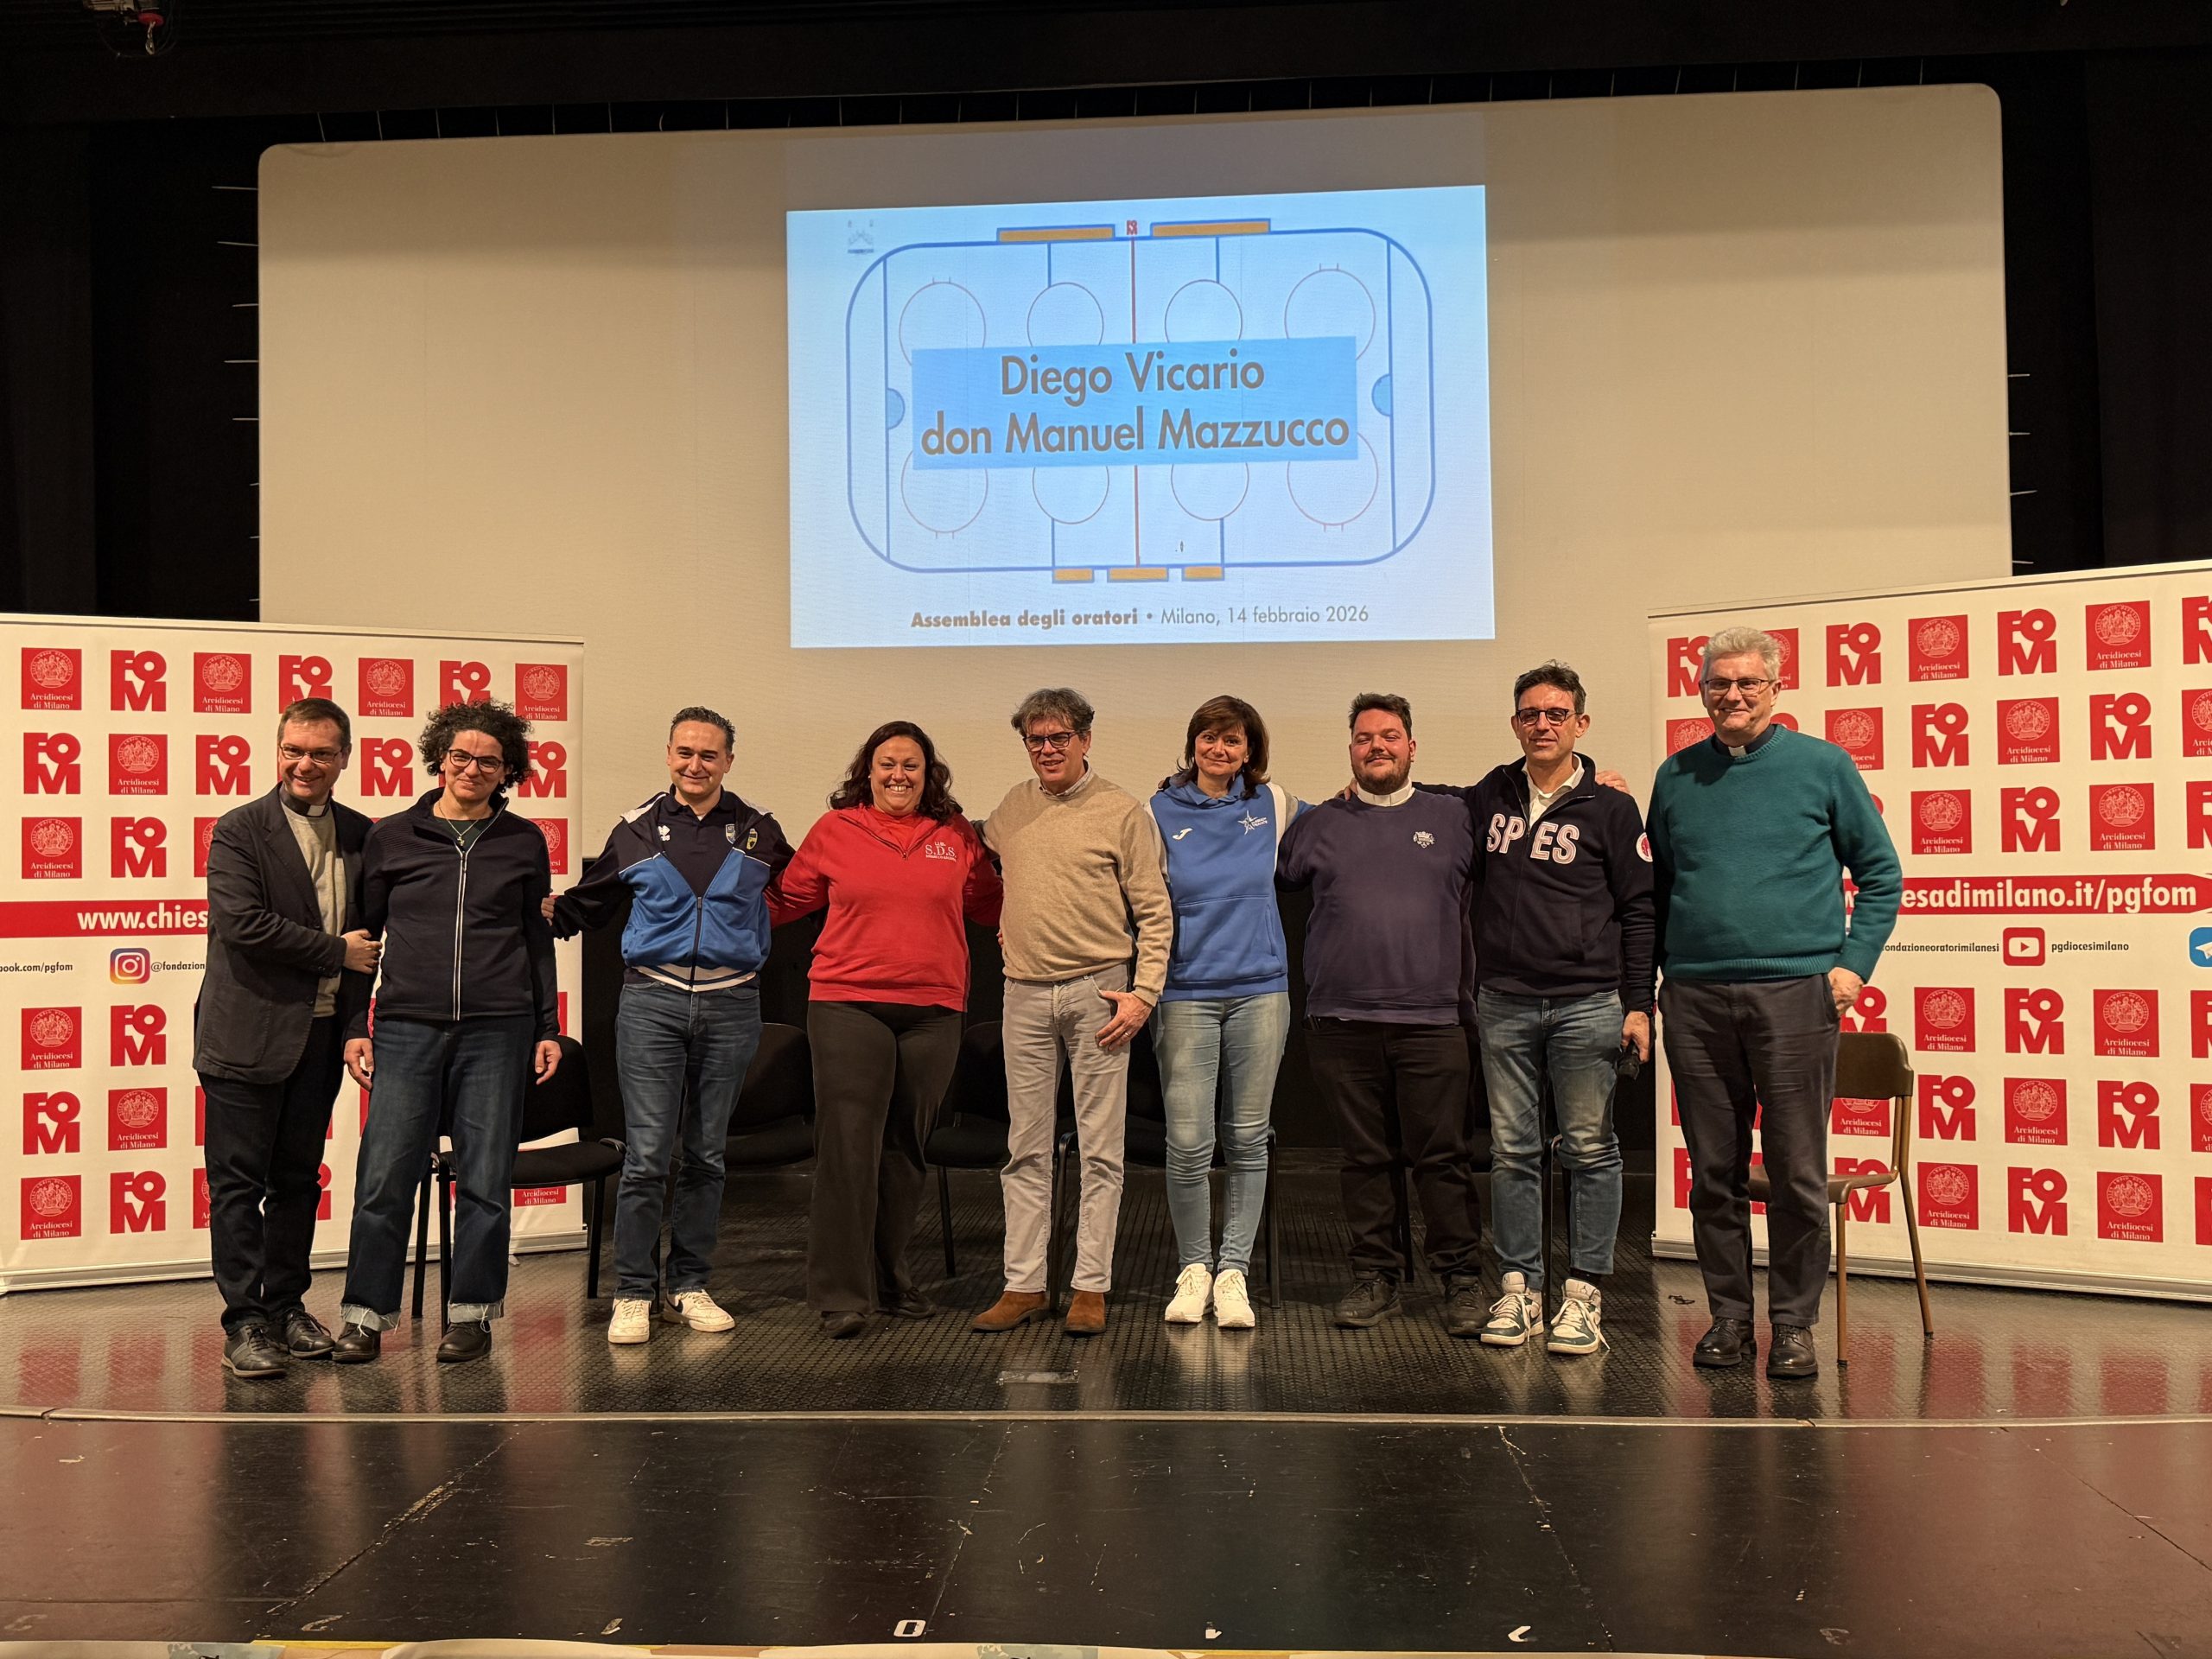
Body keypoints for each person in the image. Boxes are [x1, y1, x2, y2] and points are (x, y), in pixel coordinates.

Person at [1649, 626, 1901, 1381]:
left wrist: (1852, 968)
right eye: (1719, 683)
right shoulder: (1676, 775)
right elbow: (1662, 886)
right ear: (1701, 690)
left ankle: (1792, 1326)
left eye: (1747, 683)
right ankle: (1728, 1318)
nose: (1732, 696)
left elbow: (1881, 874)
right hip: (1695, 996)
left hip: (1795, 994)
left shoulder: (1823, 766)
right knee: (1713, 1172)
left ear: (1775, 690)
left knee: (1796, 1171)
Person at [1430, 662, 1655, 1358]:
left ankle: (1583, 1295)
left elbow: (1640, 908)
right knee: (1512, 1152)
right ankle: (1520, 1289)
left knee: (1589, 1148)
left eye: (1557, 714)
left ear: (1580, 723)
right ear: (1515, 723)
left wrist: (1639, 1004)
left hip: (1589, 1004)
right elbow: (1431, 804)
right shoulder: (1491, 793)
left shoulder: (1612, 808)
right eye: (1531, 714)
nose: (1543, 725)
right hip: (1504, 1002)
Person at [549, 708, 791, 1345]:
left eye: (709, 754)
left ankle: (689, 1284)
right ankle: (634, 1291)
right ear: (668, 755)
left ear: (728, 761)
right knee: (648, 1156)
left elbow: (807, 893)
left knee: (707, 1155)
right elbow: (586, 904)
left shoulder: (760, 831)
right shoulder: (635, 829)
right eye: (685, 752)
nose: (696, 764)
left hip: (732, 1005)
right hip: (651, 1004)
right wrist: (528, 908)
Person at [333, 701, 561, 1366]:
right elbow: (363, 940)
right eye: (461, 755)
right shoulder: (392, 836)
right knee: (384, 1178)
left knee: (485, 1181)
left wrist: (546, 1026)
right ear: (440, 758)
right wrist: (355, 1025)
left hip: (498, 1031)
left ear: (508, 770)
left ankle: (472, 1315)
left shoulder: (524, 841)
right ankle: (365, 1317)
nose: (472, 768)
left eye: (489, 761)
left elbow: (536, 939)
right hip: (406, 1027)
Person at [770, 721, 1003, 1338]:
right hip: (848, 1005)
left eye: (911, 766)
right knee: (848, 1148)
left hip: (934, 1010)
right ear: (867, 772)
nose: (898, 775)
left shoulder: (955, 833)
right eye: (887, 764)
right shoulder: (835, 830)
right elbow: (784, 901)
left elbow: (990, 904)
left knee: (905, 1149)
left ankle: (891, 1278)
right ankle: (842, 1294)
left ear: (928, 775)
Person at [1278, 693, 1484, 1334]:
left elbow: (1522, 807)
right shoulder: (1317, 824)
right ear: (1351, 751)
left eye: (1390, 736)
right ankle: (1377, 1276)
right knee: (1365, 1159)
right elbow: (1265, 876)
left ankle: (1461, 1279)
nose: (1377, 747)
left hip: (1434, 1021)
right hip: (1341, 1022)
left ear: (1412, 747)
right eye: (1365, 738)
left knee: (1442, 1158)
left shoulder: (1456, 816)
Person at [973, 688, 1172, 1338]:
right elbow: (996, 869)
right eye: (1036, 740)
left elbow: (1154, 912)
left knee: (1101, 1151)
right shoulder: (1012, 808)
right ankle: (1024, 1284)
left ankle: (1090, 1286)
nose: (1048, 750)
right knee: (1025, 1148)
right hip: (1024, 994)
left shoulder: (1122, 811)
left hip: (1100, 994)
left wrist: (1144, 993)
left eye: (1060, 737)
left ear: (1085, 739)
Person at [194, 698, 381, 1378]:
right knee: (238, 1186)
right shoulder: (240, 830)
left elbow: (370, 946)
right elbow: (242, 924)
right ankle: (244, 1322)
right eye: (293, 750)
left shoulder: (363, 834)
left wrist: (355, 1025)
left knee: (298, 1181)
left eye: (321, 753)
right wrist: (334, 951)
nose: (306, 764)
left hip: (321, 1037)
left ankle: (286, 1308)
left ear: (344, 758)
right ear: (277, 752)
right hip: (245, 1035)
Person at [1147, 696, 1301, 1332]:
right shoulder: (1157, 811)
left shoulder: (1275, 803)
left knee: (1247, 1139)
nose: (1219, 749)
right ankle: (1194, 1268)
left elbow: (1348, 818)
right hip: (1184, 993)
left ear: (1249, 750)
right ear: (1193, 744)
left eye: (1232, 740)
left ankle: (1233, 1271)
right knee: (1188, 1143)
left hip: (1261, 992)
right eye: (1209, 738)